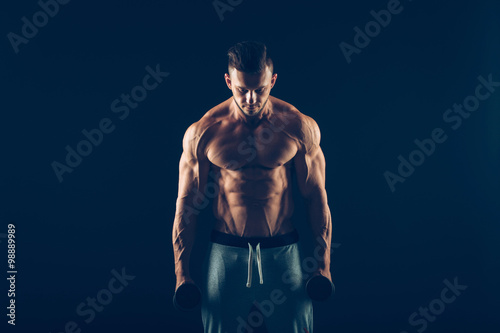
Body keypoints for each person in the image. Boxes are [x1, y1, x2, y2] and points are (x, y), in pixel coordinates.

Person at [172, 41, 333, 333]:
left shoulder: (297, 127)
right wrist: (181, 273)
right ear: (228, 81)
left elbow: (316, 197)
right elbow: (187, 204)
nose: (250, 98)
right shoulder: (205, 132)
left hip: (283, 253)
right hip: (225, 253)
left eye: (259, 89)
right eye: (241, 89)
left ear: (272, 80)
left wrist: (324, 265)